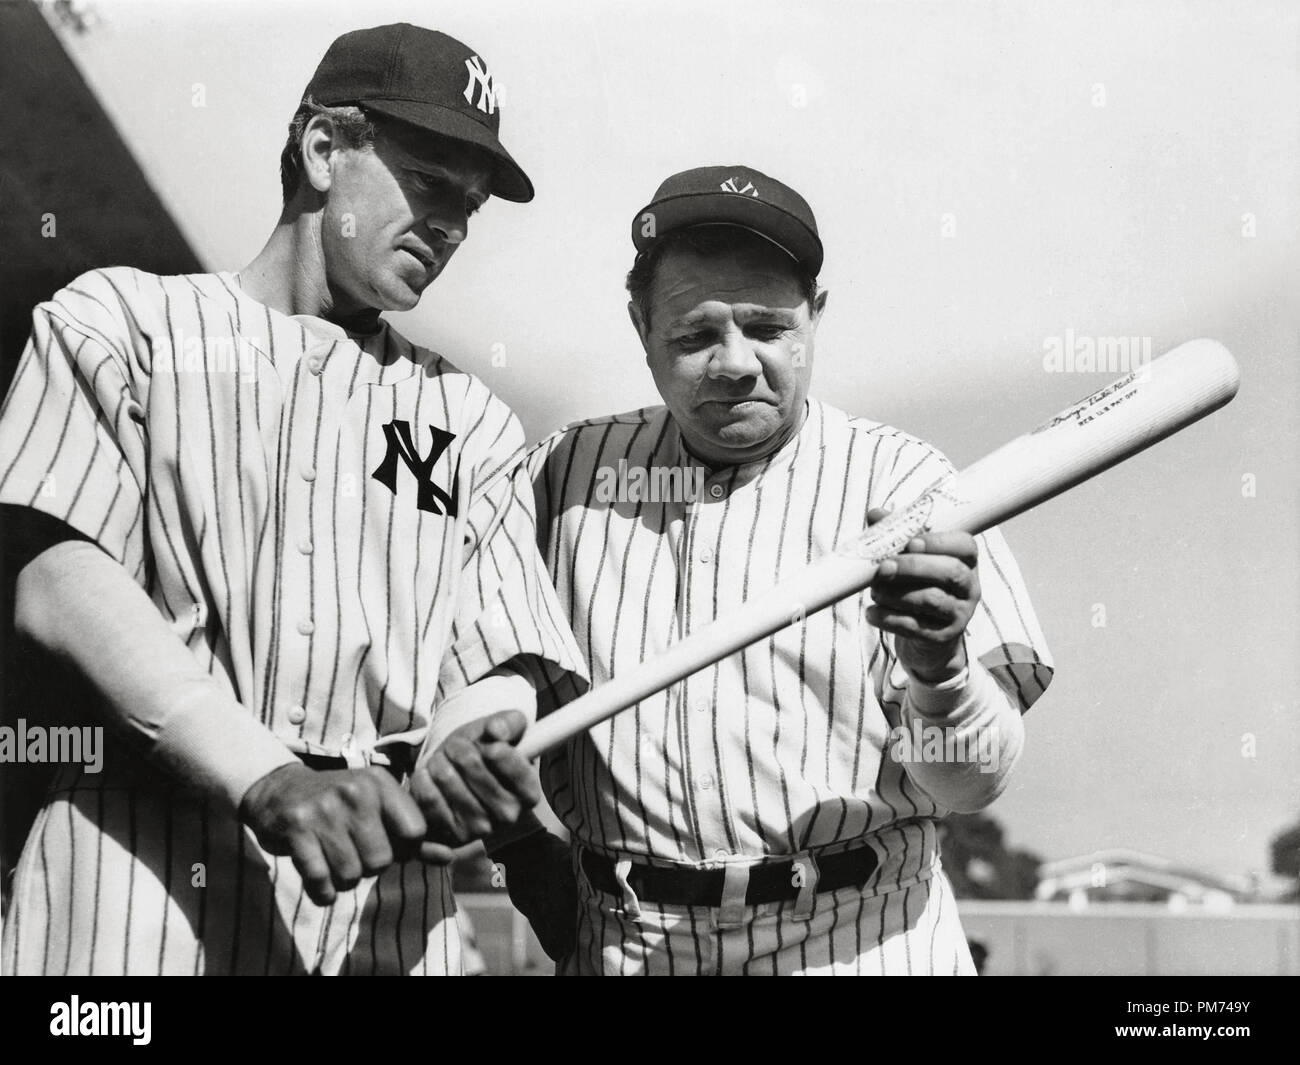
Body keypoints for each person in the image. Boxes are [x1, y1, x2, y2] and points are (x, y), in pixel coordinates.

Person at [0, 23, 584, 976]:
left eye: (470, 208)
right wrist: (262, 774)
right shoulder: (123, 324)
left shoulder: (468, 419)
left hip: (380, 898)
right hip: (137, 876)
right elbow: (57, 579)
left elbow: (499, 656)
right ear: (322, 150)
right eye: (432, 185)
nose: (452, 228)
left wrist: (473, 744)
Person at [491, 165, 1053, 975]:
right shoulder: (566, 475)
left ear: (815, 317)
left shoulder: (905, 483)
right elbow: (459, 682)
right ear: (640, 326)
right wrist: (518, 847)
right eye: (694, 334)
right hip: (631, 941)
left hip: (861, 934)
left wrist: (941, 668)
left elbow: (973, 783)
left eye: (766, 327)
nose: (736, 363)